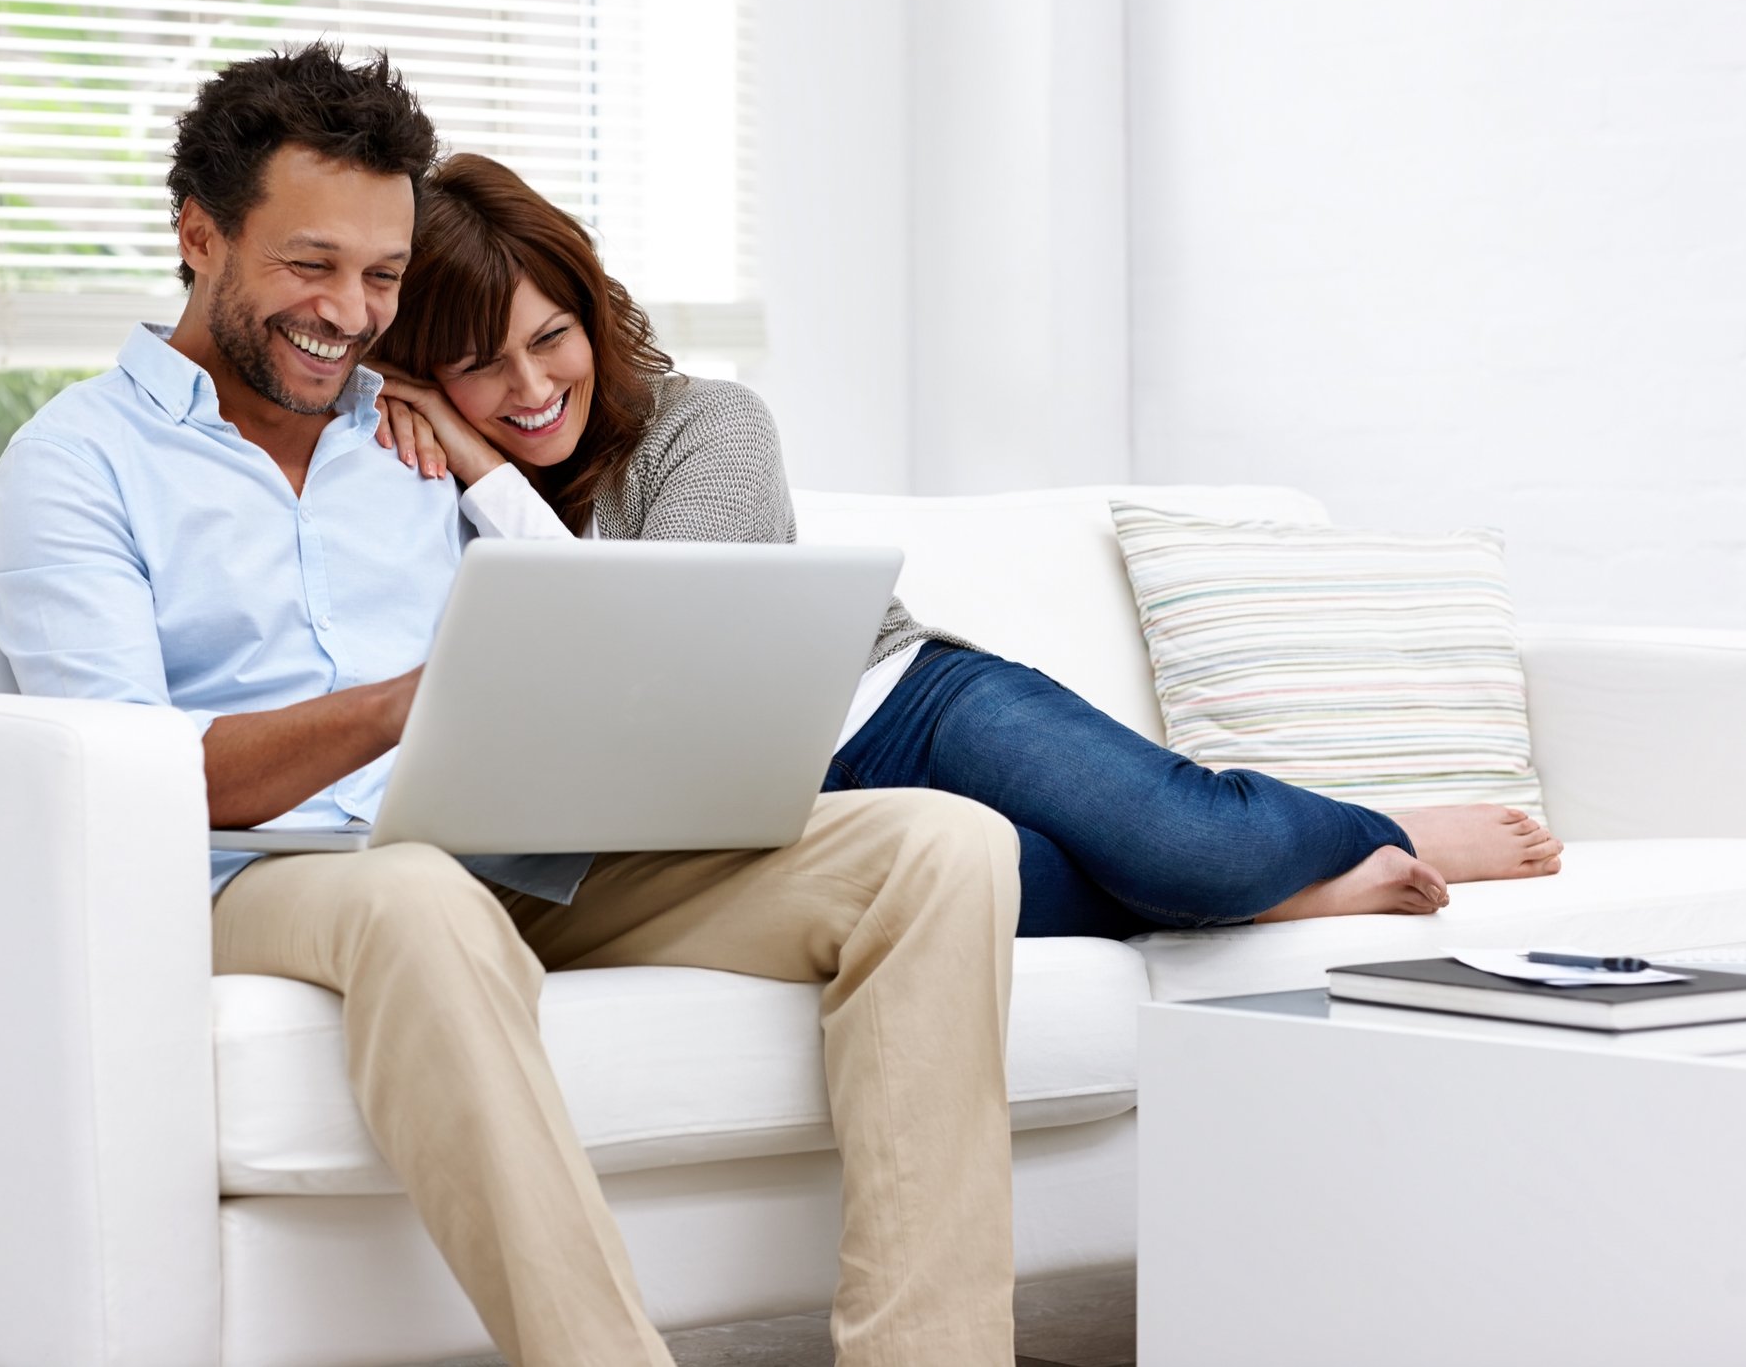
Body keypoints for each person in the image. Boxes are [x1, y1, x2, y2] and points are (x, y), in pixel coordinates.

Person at [0, 46, 1023, 1367]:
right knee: (414, 890)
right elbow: (128, 774)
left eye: (382, 275)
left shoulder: (410, 435)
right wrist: (400, 706)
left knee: (938, 843)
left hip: (516, 852)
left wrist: (485, 483)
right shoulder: (77, 466)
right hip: (273, 879)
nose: (351, 313)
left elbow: (580, 641)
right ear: (200, 237)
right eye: (311, 266)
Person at [371, 152, 1567, 939]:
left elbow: (648, 647)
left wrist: (486, 471)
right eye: (480, 363)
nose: (530, 388)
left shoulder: (706, 423)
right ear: (426, 370)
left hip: (908, 704)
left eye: (552, 337)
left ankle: (1382, 827)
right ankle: (1278, 893)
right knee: (1012, 886)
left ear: (592, 310)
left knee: (1185, 845)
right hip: (790, 814)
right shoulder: (413, 491)